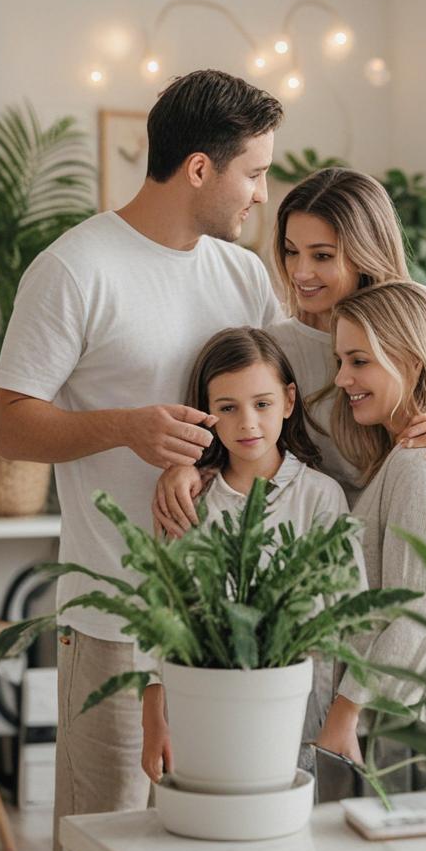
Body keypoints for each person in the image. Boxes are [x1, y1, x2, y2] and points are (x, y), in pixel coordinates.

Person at [0, 69, 284, 851]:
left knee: (214, 849)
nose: (260, 195)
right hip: (114, 617)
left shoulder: (245, 279)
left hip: (228, 624)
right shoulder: (74, 268)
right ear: (199, 169)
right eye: (253, 173)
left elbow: (269, 421)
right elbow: (11, 428)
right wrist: (127, 428)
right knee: (104, 849)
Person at [153, 167, 426, 533]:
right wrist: (186, 468)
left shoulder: (414, 327)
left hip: (416, 519)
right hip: (328, 540)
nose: (301, 272)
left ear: (365, 253)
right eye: (292, 252)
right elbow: (234, 434)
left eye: (322, 256)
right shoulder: (278, 348)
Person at [140, 326, 360, 785]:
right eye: (227, 408)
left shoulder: (320, 497)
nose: (248, 423)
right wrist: (153, 718)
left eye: (262, 404)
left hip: (300, 710)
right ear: (206, 413)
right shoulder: (191, 500)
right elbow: (162, 614)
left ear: (289, 400)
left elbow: (347, 611)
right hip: (200, 708)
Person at [315, 281, 426, 763]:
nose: (343, 378)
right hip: (401, 714)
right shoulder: (411, 456)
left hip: (408, 723)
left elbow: (422, 611)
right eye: (340, 362)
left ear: (412, 361)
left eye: (359, 360)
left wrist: (344, 713)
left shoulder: (423, 462)